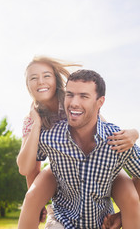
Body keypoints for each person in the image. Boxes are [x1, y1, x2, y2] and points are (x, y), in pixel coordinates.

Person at [17, 58, 139, 228]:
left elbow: (100, 126)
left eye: (46, 76)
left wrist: (134, 133)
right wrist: (38, 203)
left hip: (101, 161)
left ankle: (123, 218)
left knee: (131, 198)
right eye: (33, 78)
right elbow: (30, 169)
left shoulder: (71, 99)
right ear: (27, 85)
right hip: (61, 164)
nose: (40, 81)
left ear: (56, 80)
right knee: (31, 197)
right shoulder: (33, 119)